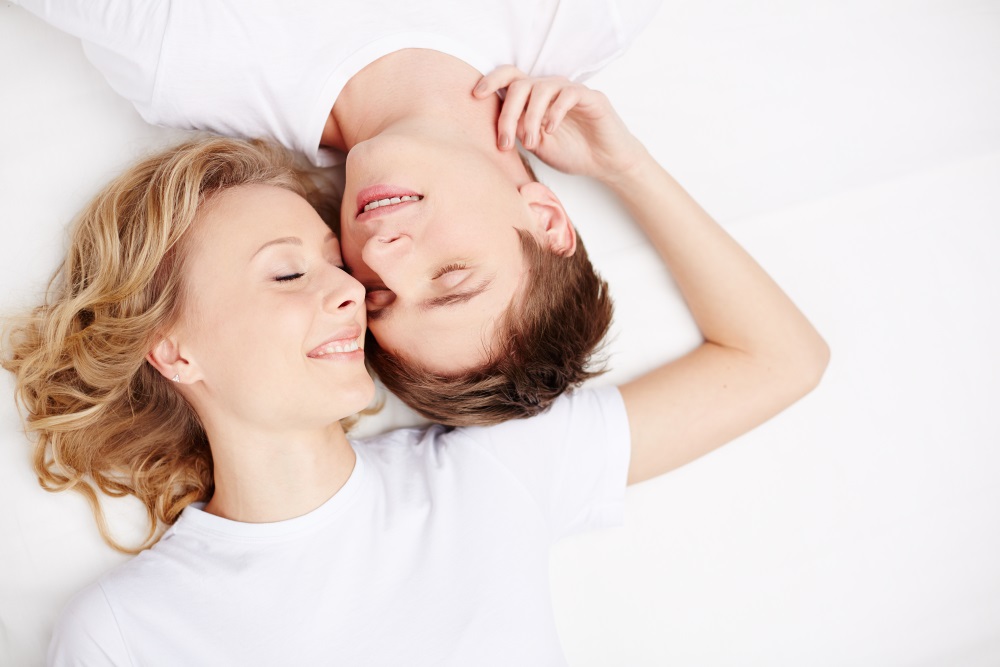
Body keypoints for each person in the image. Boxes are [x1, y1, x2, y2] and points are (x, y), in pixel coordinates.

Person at [3, 72, 828, 664]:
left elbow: (780, 358)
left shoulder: (490, 474)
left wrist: (626, 167)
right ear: (175, 348)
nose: (351, 292)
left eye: (346, 273)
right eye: (288, 273)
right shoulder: (122, 632)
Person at [11, 0, 663, 425]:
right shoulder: (587, 15)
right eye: (451, 275)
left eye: (376, 293)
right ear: (547, 219)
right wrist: (625, 165)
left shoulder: (188, 62)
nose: (379, 253)